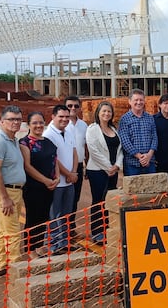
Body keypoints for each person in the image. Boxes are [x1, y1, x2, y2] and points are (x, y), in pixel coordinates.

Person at [0, 105, 26, 276]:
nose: (15, 122)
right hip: (5, 192)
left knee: (4, 230)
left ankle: (2, 264)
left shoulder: (14, 140)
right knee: (13, 232)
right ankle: (16, 270)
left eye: (18, 119)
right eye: (11, 119)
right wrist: (4, 197)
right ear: (2, 121)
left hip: (15, 191)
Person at [18, 111, 59, 258]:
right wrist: (45, 180)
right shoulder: (25, 143)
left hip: (49, 187)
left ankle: (40, 245)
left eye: (41, 122)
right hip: (33, 187)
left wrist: (57, 177)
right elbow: (27, 166)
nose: (38, 125)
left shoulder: (48, 142)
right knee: (33, 217)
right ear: (28, 125)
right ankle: (30, 249)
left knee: (44, 217)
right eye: (35, 123)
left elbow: (55, 160)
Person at [85, 101, 123, 245]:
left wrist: (117, 166)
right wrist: (108, 167)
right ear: (98, 113)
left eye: (109, 111)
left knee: (109, 201)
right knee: (98, 201)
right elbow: (93, 151)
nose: (106, 114)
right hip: (98, 171)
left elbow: (120, 149)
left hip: (113, 171)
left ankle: (107, 228)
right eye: (104, 111)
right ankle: (97, 231)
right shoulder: (92, 129)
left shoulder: (114, 129)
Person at [42, 104, 78, 254]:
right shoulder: (48, 135)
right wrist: (68, 174)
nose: (64, 119)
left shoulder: (68, 132)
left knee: (66, 213)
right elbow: (54, 159)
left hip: (70, 182)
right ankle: (53, 244)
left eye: (67, 117)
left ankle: (63, 242)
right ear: (53, 117)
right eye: (61, 117)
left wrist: (74, 172)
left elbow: (74, 152)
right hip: (57, 182)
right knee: (54, 215)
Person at [118, 89, 158, 175]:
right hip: (132, 165)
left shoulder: (150, 118)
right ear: (130, 101)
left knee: (151, 188)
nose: (139, 102)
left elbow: (154, 138)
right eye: (136, 100)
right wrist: (140, 157)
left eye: (141, 100)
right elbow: (125, 142)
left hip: (149, 163)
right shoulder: (124, 119)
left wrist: (149, 155)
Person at [64, 96, 88, 212]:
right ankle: (61, 227)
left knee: (75, 197)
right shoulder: (60, 124)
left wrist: (86, 166)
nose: (73, 108)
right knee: (63, 198)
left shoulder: (83, 125)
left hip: (78, 166)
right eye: (69, 106)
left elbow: (86, 147)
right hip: (64, 167)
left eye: (76, 106)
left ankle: (71, 226)